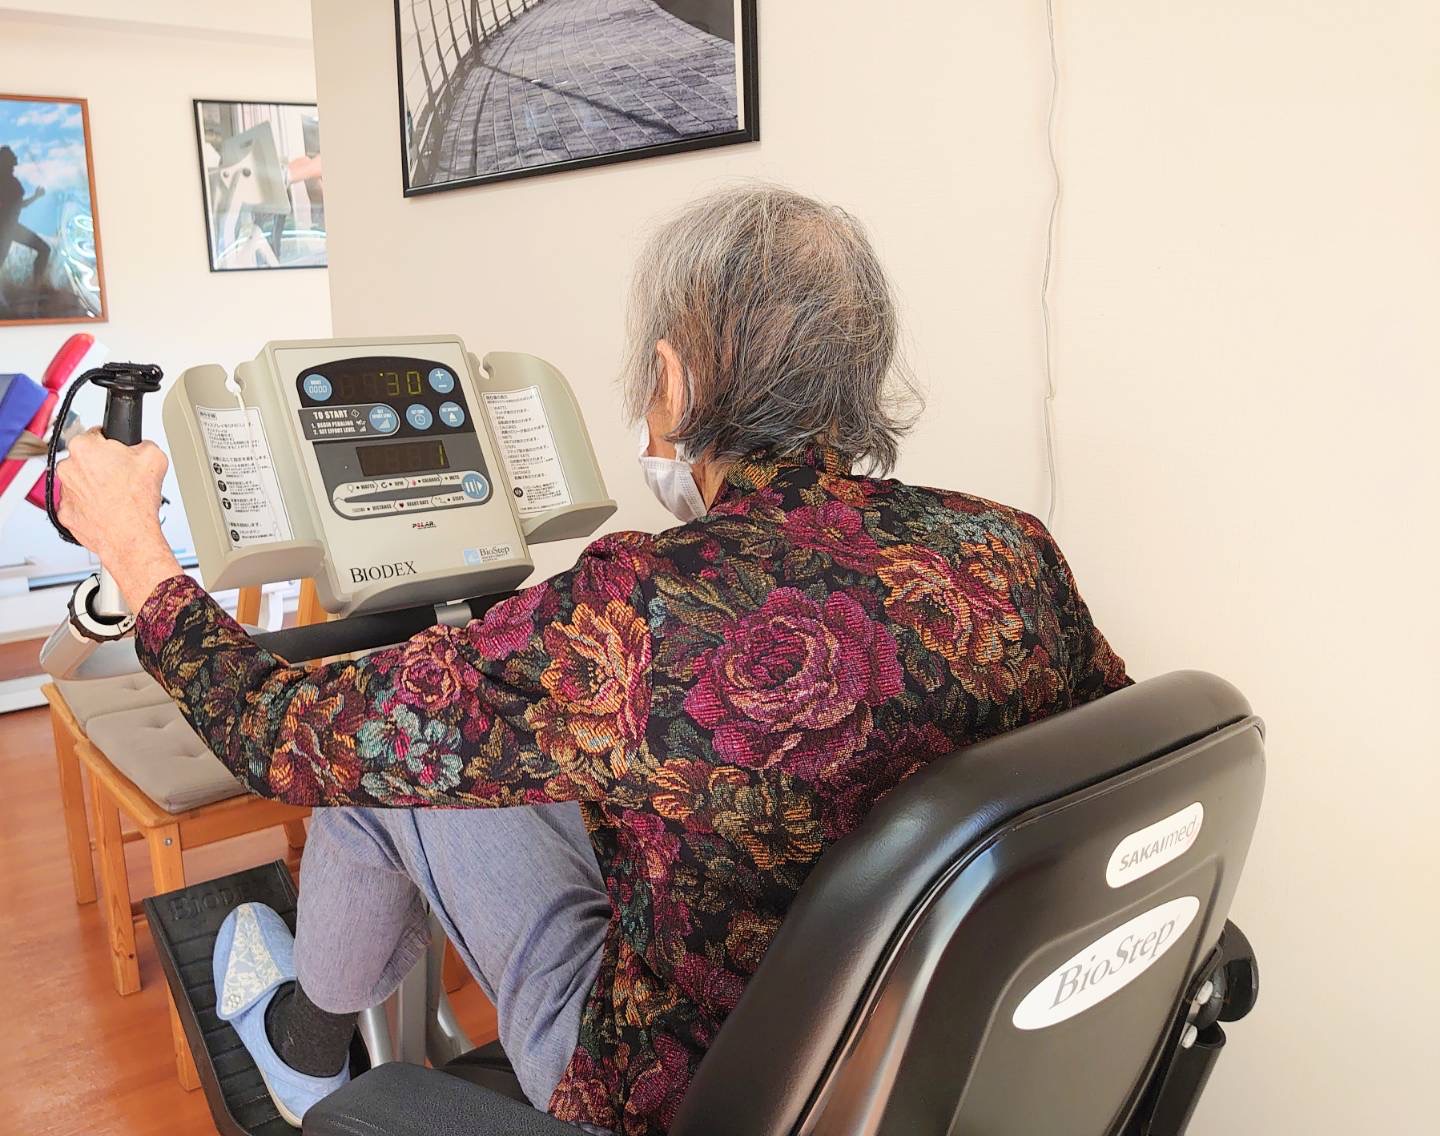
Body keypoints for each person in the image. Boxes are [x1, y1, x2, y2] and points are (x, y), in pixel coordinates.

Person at [54, 185, 1129, 1134]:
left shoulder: (646, 609)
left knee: (379, 773)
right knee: (464, 754)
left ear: (676, 377)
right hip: (922, 1059)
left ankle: (304, 1042)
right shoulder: (1011, 550)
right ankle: (318, 1020)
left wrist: (135, 549)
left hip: (684, 1091)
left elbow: (278, 737)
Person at [0, 145, 51, 282]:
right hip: (5, 228)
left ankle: (37, 287)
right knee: (44, 249)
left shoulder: (12, 183)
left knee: (45, 250)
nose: (14, 162)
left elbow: (19, 205)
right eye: (11, 158)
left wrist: (36, 196)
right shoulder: (6, 182)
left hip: (12, 228)